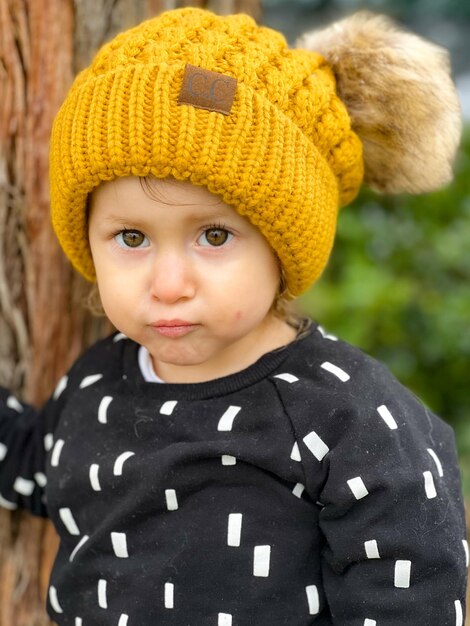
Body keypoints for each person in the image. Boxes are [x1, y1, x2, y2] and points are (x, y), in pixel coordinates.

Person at [0, 7, 467, 625]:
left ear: (284, 245)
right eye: (131, 238)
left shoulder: (349, 417)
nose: (169, 285)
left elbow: (413, 594)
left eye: (215, 235)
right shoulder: (97, 382)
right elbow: (40, 466)